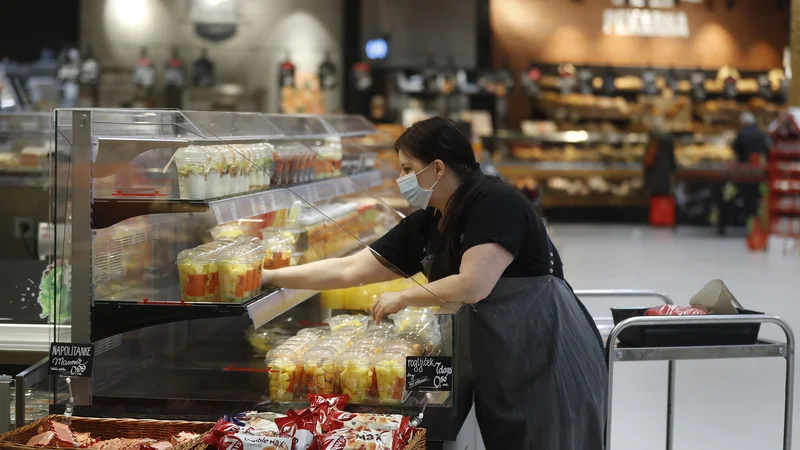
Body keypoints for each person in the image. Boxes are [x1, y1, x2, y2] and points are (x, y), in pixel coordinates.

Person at [262, 117, 608, 450]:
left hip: (548, 354)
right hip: (499, 360)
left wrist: (405, 297)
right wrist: (269, 277)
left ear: (438, 168)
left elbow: (474, 284)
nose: (402, 179)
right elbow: (347, 270)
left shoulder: (494, 202)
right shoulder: (428, 224)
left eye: (408, 168)